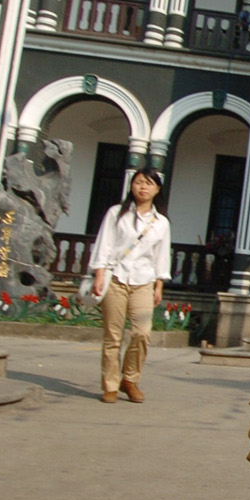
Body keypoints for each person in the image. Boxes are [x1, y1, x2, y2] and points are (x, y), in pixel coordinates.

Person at [88, 167, 172, 404]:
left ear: (157, 189)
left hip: (144, 281)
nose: (143, 187)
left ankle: (131, 379)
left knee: (142, 333)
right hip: (115, 278)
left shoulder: (161, 223)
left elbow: (161, 255)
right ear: (131, 186)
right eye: (138, 182)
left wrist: (159, 285)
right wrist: (99, 274)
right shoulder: (117, 213)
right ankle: (111, 385)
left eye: (148, 183)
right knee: (113, 336)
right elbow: (104, 243)